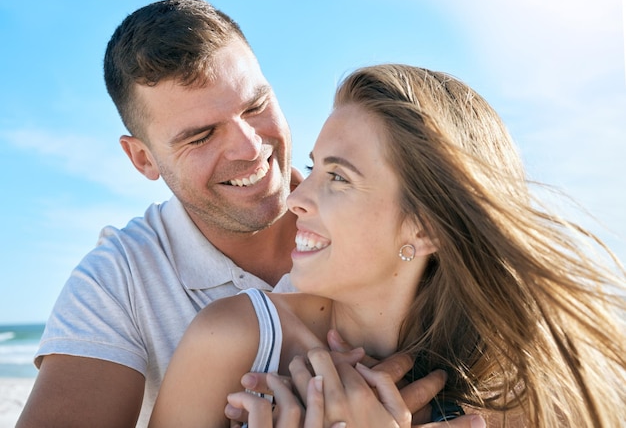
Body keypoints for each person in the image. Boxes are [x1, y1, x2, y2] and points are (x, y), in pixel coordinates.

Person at [16, 0, 477, 428]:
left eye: (256, 106)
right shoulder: (121, 281)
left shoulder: (393, 233)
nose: (250, 148)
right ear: (143, 159)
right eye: (201, 136)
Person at [148, 64, 626, 428]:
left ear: (426, 229)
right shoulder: (233, 339)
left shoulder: (522, 393)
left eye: (338, 177)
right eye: (314, 169)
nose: (295, 199)